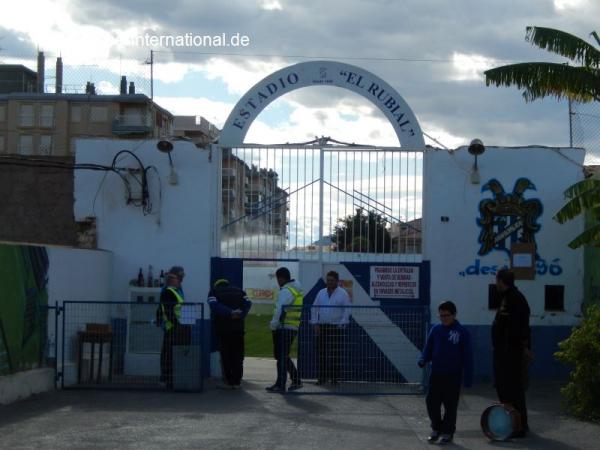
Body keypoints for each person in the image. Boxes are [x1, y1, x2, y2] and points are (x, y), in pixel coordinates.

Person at [418, 301, 473, 445]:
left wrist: (468, 378)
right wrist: (423, 359)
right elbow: (428, 348)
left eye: (446, 315)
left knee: (450, 406)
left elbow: (467, 356)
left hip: (453, 375)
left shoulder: (462, 332)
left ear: (454, 314)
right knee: (431, 402)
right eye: (441, 315)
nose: (443, 318)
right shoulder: (436, 329)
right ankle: (436, 429)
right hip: (436, 374)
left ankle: (448, 432)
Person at [492, 268, 531, 438]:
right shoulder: (507, 298)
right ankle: (511, 423)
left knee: (513, 390)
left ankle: (519, 426)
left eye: (497, 281)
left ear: (501, 281)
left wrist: (522, 348)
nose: (496, 284)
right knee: (505, 390)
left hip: (511, 354)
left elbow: (521, 328)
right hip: (504, 353)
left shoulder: (516, 299)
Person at [207, 278, 252, 389]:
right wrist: (240, 314)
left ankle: (228, 381)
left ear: (217, 285)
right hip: (238, 329)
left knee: (226, 355)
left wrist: (229, 313)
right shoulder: (240, 292)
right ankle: (237, 381)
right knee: (238, 355)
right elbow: (248, 303)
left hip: (224, 329)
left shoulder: (214, 292)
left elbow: (214, 305)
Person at [310, 270, 351, 385]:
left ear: (337, 281)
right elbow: (314, 308)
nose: (329, 282)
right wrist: (315, 323)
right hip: (322, 327)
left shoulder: (342, 293)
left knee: (335, 354)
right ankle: (322, 378)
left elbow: (347, 310)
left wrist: (341, 324)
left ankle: (334, 378)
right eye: (328, 280)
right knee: (321, 353)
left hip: (335, 328)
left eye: (332, 280)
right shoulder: (321, 292)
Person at [266, 267, 303, 393]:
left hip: (284, 326)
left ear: (281, 278)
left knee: (281, 356)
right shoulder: (295, 288)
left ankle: (280, 384)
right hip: (292, 326)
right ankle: (296, 380)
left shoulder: (287, 290)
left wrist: (273, 325)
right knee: (283, 355)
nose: (277, 281)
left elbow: (280, 309)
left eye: (277, 279)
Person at [157, 267, 186, 390]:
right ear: (172, 278)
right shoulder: (168, 291)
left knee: (172, 353)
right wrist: (176, 324)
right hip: (173, 327)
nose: (181, 279)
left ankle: (172, 378)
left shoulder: (177, 290)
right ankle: (167, 378)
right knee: (168, 354)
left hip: (177, 326)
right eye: (179, 277)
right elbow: (168, 309)